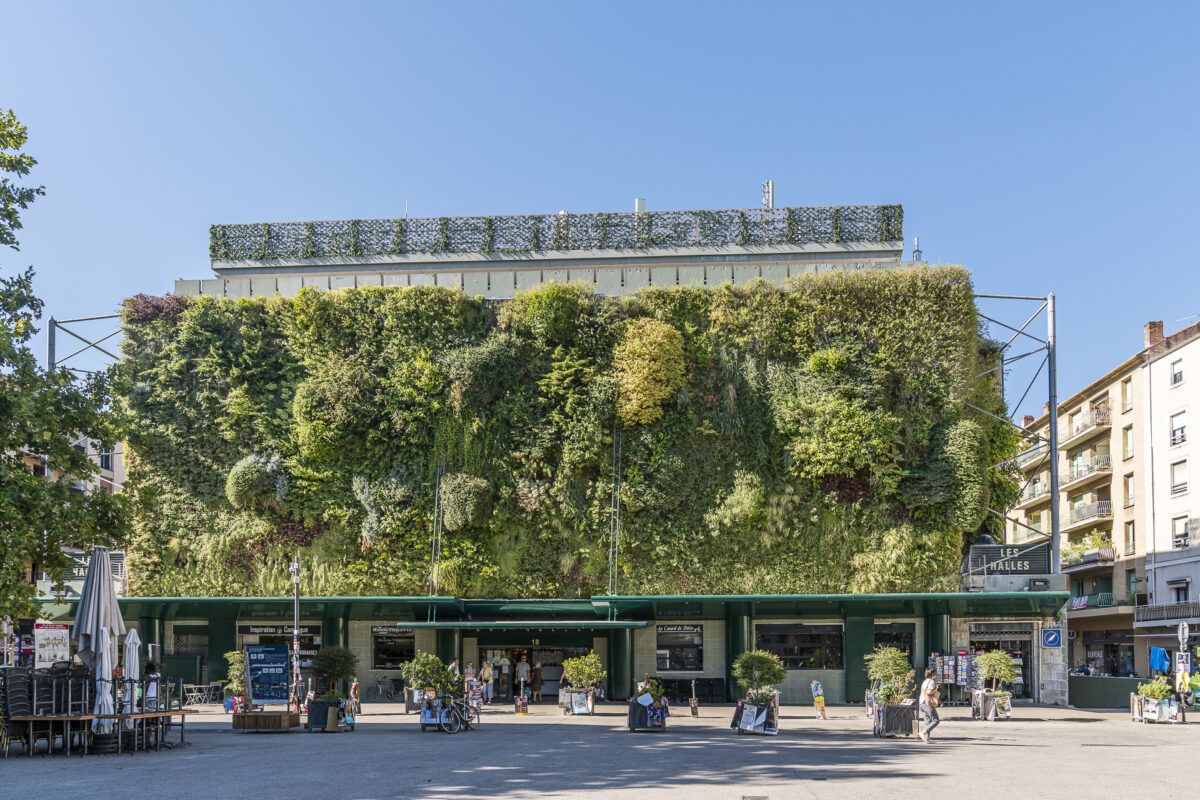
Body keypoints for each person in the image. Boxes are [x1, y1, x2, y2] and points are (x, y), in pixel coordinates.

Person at [919, 665, 940, 743]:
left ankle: (927, 738)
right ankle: (924, 732)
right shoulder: (931, 682)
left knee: (927, 721)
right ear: (933, 674)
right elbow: (929, 692)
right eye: (935, 673)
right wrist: (936, 688)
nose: (935, 675)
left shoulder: (925, 681)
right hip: (927, 703)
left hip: (922, 704)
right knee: (936, 720)